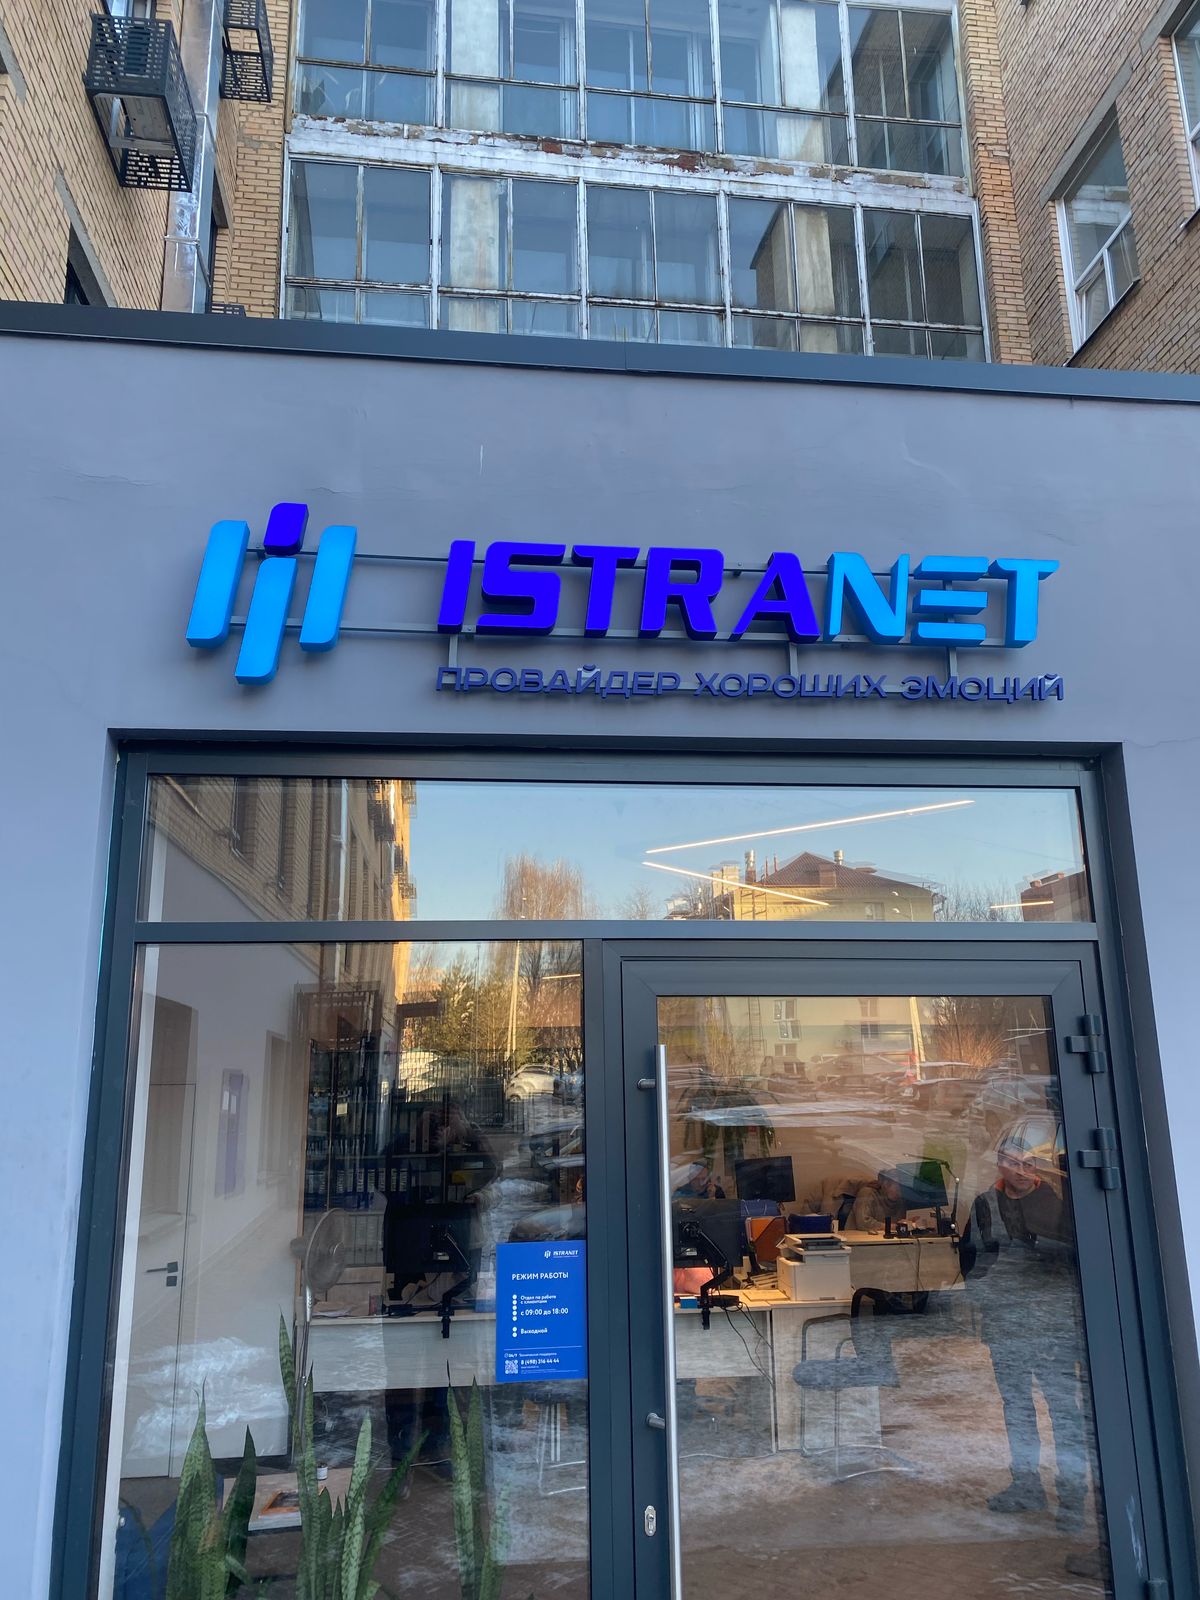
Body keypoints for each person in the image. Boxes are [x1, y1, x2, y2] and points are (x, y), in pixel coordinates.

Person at [960, 1131, 1090, 1526]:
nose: (1021, 1171)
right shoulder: (985, 1204)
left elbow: (1073, 1255)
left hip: (1051, 1322)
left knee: (1062, 1408)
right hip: (1005, 1320)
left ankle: (1072, 1498)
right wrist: (984, 1294)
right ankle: (1026, 1485)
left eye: (1028, 1164)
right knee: (1016, 1405)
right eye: (1013, 1163)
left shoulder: (1056, 1203)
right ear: (999, 1163)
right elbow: (970, 1256)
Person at [850, 1168, 908, 1234]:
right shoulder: (867, 1194)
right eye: (898, 1188)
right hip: (857, 1237)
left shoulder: (900, 1201)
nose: (900, 1193)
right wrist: (893, 1227)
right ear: (886, 1184)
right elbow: (863, 1223)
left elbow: (901, 1224)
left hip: (883, 1238)